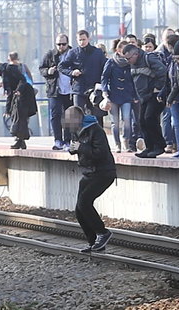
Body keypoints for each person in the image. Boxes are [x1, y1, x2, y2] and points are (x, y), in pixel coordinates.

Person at [64, 106, 117, 253]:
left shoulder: (95, 130)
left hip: (103, 172)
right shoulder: (76, 130)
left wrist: (81, 147)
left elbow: (100, 153)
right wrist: (73, 149)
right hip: (88, 172)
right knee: (79, 209)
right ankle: (93, 242)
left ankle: (103, 233)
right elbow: (79, 148)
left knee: (84, 202)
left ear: (79, 118)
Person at [124, 43, 168, 158]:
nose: (127, 61)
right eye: (125, 59)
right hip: (144, 96)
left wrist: (157, 87)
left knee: (150, 118)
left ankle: (159, 145)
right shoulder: (132, 64)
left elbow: (163, 72)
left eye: (129, 58)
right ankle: (149, 147)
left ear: (136, 54)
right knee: (142, 121)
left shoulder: (149, 58)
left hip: (155, 94)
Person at [0, 57, 37, 149]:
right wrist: (8, 109)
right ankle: (20, 141)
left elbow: (22, 80)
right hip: (19, 95)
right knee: (19, 117)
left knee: (19, 117)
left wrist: (18, 91)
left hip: (23, 94)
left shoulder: (9, 69)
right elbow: (10, 91)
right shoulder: (5, 72)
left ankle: (19, 140)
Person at [58, 30, 107, 121]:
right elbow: (61, 66)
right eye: (79, 40)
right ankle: (77, 135)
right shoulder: (73, 53)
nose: (82, 42)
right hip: (79, 88)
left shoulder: (97, 53)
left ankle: (96, 135)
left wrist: (103, 84)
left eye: (84, 39)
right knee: (77, 115)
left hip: (94, 88)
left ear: (88, 39)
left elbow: (105, 68)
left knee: (96, 116)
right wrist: (72, 72)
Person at [101, 39, 138, 153]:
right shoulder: (111, 62)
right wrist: (105, 91)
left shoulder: (130, 63)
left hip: (127, 95)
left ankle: (126, 140)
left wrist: (135, 95)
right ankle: (117, 143)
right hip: (113, 95)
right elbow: (104, 78)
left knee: (127, 118)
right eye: (123, 50)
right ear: (118, 50)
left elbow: (134, 80)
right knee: (115, 121)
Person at [40, 34, 73, 150]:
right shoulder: (50, 54)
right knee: (55, 115)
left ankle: (68, 140)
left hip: (70, 90)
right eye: (58, 44)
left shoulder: (73, 54)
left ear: (68, 43)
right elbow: (41, 69)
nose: (61, 47)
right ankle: (58, 140)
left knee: (70, 116)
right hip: (55, 89)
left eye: (63, 44)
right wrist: (48, 71)